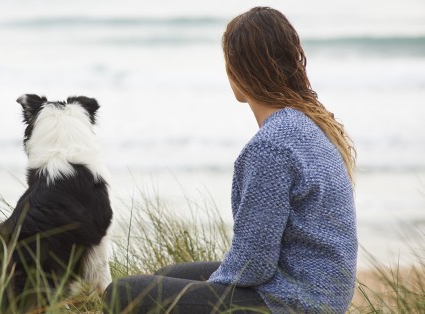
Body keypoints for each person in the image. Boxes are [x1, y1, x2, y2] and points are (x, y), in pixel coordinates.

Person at [103, 6, 357, 313]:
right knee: (165, 278)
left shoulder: (271, 147)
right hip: (319, 293)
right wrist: (203, 288)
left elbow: (253, 264)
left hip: (294, 303)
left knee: (122, 293)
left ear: (236, 71)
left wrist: (209, 289)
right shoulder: (308, 124)